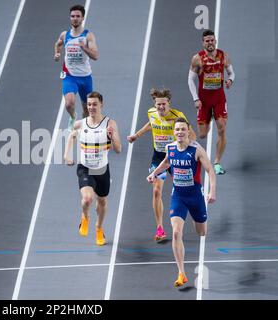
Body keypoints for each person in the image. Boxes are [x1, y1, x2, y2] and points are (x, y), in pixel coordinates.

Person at [147, 118, 216, 287]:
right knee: (176, 233)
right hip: (178, 196)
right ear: (174, 132)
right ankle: (181, 273)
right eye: (176, 129)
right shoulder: (170, 148)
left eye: (182, 129)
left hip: (195, 197)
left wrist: (212, 191)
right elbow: (166, 162)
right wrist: (154, 173)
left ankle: (198, 219)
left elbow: (210, 171)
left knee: (202, 232)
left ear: (187, 131)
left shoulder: (196, 149)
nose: (179, 132)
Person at [127, 88, 196, 243]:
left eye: (164, 104)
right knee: (156, 192)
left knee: (184, 190)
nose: (161, 107)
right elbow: (151, 124)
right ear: (155, 104)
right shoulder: (151, 113)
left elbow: (192, 135)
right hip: (159, 157)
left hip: (176, 156)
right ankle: (160, 229)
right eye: (158, 104)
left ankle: (195, 214)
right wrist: (136, 136)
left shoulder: (178, 116)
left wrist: (184, 147)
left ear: (168, 103)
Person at [64, 91, 121, 246]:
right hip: (85, 168)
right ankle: (85, 216)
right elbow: (71, 136)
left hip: (102, 170)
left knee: (102, 201)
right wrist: (66, 155)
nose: (91, 107)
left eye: (94, 104)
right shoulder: (80, 124)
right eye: (89, 104)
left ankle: (99, 228)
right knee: (88, 199)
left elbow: (118, 149)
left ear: (101, 104)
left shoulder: (110, 124)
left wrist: (111, 137)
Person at [188, 29, 235, 175]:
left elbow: (231, 73)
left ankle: (217, 162)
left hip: (219, 98)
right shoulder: (197, 59)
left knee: (221, 127)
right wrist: (196, 98)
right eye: (207, 40)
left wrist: (230, 80)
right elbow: (190, 79)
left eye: (212, 40)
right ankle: (191, 129)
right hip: (204, 101)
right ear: (203, 43)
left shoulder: (224, 55)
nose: (210, 43)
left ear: (215, 41)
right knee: (202, 134)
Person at [54, 4, 99, 131]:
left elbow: (96, 56)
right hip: (69, 75)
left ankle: (83, 127)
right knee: (69, 103)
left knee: (86, 108)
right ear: (70, 18)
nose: (75, 18)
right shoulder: (65, 34)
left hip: (85, 76)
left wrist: (84, 48)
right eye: (72, 16)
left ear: (82, 18)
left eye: (78, 16)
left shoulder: (88, 36)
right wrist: (57, 53)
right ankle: (73, 116)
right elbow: (58, 44)